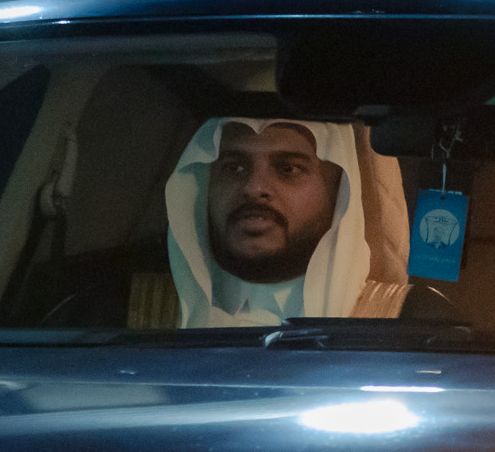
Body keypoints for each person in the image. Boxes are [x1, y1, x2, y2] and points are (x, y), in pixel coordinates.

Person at [165, 116, 412, 326]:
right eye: (234, 168)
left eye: (288, 169)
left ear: (339, 192)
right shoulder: (151, 314)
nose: (254, 188)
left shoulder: (404, 320)